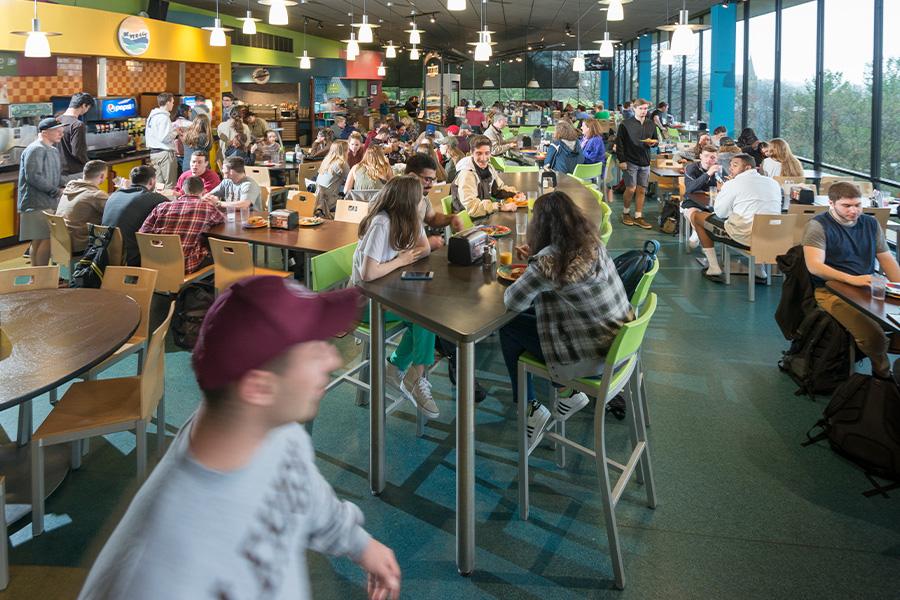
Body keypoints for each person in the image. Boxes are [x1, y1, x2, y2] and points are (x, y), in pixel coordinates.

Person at [78, 274, 401, 600]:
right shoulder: (156, 575)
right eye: (314, 350)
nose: (332, 359)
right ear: (259, 387)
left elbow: (302, 489)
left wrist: (360, 544)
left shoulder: (276, 427)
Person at [500, 191, 634, 452]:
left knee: (510, 325)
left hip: (591, 358)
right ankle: (564, 393)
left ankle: (530, 408)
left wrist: (533, 262)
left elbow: (512, 301)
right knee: (528, 317)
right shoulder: (592, 242)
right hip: (619, 346)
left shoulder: (549, 261)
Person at [351, 175, 439, 418]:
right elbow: (367, 273)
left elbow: (425, 248)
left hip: (387, 294)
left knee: (426, 316)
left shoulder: (409, 218)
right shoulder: (382, 222)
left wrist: (407, 255)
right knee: (424, 316)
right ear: (406, 201)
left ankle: (404, 370)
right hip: (362, 301)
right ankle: (410, 375)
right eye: (418, 197)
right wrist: (401, 260)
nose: (422, 200)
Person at [802, 182, 900, 380]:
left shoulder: (870, 224)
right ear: (831, 203)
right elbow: (815, 266)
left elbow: (887, 259)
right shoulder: (818, 225)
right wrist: (852, 280)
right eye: (847, 206)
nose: (854, 210)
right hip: (830, 290)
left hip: (866, 286)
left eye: (858, 205)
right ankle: (883, 375)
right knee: (874, 336)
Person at [689, 154, 782, 281]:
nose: (730, 168)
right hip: (773, 237)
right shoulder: (773, 183)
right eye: (731, 165)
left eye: (735, 165)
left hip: (744, 237)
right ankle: (759, 270)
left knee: (697, 216)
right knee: (756, 220)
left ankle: (713, 267)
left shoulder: (733, 184)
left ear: (748, 167)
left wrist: (723, 191)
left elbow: (720, 213)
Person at [140, 176, 224, 274]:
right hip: (185, 265)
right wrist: (215, 204)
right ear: (204, 191)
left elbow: (143, 232)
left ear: (183, 190)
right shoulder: (206, 207)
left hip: (155, 262)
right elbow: (221, 219)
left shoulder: (162, 206)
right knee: (217, 252)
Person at [17, 118, 67, 267]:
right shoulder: (35, 149)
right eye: (58, 131)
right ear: (45, 132)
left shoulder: (52, 149)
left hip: (47, 202)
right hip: (36, 203)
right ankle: (42, 277)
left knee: (39, 240)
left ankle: (37, 277)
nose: (61, 134)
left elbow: (56, 177)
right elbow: (33, 176)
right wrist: (56, 191)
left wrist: (70, 183)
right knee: (47, 239)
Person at [102, 165, 167, 266]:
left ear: (131, 180)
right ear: (151, 182)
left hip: (104, 254)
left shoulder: (114, 195)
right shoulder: (156, 199)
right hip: (130, 259)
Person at [450, 135, 521, 218]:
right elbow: (472, 208)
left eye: (487, 153)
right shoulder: (466, 174)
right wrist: (500, 206)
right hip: (468, 222)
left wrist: (515, 194)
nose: (483, 158)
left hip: (482, 215)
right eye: (479, 153)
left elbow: (497, 190)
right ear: (471, 153)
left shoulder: (489, 168)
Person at [615, 98, 657, 229]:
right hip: (630, 160)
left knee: (641, 189)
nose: (644, 111)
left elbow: (655, 139)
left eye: (646, 109)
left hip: (645, 161)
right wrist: (622, 160)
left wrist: (654, 142)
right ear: (634, 109)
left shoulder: (651, 124)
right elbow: (619, 143)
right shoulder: (625, 124)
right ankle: (626, 212)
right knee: (631, 188)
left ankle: (638, 216)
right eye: (641, 109)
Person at [55, 159, 108, 254]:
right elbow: (113, 211)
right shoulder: (95, 195)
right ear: (102, 176)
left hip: (61, 241)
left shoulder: (70, 187)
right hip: (81, 243)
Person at [146, 92, 180, 190]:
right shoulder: (164, 117)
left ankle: (159, 204)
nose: (173, 104)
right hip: (165, 154)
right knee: (170, 184)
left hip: (154, 153)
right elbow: (164, 138)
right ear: (168, 102)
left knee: (159, 185)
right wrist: (175, 132)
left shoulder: (152, 116)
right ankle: (169, 204)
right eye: (172, 102)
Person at [57, 92, 94, 179]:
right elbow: (78, 152)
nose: (87, 110)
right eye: (88, 107)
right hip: (74, 172)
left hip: (59, 171)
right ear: (84, 105)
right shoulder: (77, 124)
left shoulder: (57, 120)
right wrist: (90, 165)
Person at [314, 140, 350, 219]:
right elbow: (352, 182)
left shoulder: (326, 161)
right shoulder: (342, 163)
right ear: (344, 151)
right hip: (330, 201)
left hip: (318, 200)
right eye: (348, 150)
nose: (349, 152)